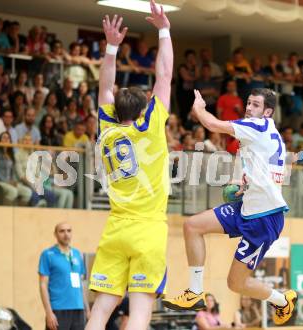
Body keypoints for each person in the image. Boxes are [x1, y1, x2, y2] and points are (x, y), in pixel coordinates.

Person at [162, 88, 297, 325]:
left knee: (235, 284)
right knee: (192, 226)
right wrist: (241, 184)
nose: (249, 108)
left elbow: (212, 124)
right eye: (248, 103)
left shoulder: (257, 127)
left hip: (264, 219)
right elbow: (271, 171)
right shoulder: (264, 134)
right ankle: (195, 292)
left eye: (255, 105)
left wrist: (199, 110)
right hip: (247, 206)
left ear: (267, 112)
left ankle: (281, 299)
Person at [85, 2, 173, 330]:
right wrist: (163, 30)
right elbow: (164, 74)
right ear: (142, 109)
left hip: (116, 228)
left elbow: (105, 87)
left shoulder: (108, 129)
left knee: (100, 312)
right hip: (148, 229)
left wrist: (111, 48)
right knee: (139, 314)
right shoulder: (149, 125)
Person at [39, 222, 90, 330]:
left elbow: (81, 284)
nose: (66, 234)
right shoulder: (47, 254)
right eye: (62, 231)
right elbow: (43, 285)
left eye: (69, 231)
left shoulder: (77, 254)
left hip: (78, 309)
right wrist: (48, 312)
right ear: (55, 234)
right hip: (58, 309)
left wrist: (87, 309)